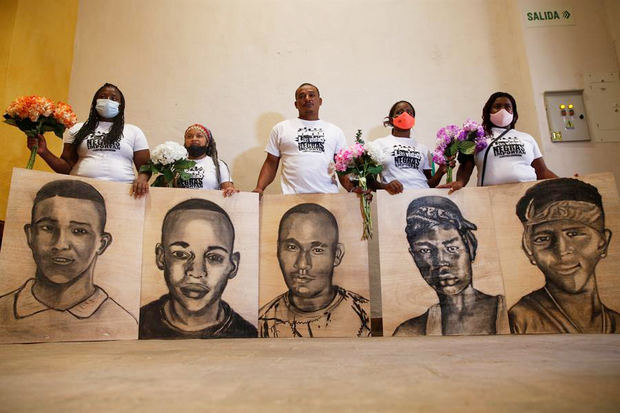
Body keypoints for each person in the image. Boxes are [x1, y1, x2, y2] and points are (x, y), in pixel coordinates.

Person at [0, 180, 137, 341]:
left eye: (79, 231)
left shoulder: (124, 325)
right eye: (48, 228)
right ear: (30, 236)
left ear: (102, 243)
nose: (60, 244)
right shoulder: (3, 310)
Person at [509, 178, 619, 334]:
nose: (561, 251)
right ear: (529, 250)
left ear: (603, 243)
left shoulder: (615, 322)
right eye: (543, 239)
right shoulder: (521, 319)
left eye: (574, 234)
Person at [139, 198, 257, 339]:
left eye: (214, 257)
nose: (196, 272)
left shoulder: (246, 334)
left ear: (233, 265)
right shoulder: (137, 324)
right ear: (161, 256)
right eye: (181, 254)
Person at [394, 196, 509, 336]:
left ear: (470, 246)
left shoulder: (515, 316)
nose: (441, 262)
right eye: (425, 250)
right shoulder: (409, 332)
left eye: (452, 248)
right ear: (414, 256)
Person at [259, 203, 370, 338]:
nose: (302, 264)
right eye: (292, 247)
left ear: (337, 255)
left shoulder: (364, 316)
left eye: (317, 250)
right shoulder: (262, 322)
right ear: (278, 250)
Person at [26, 83, 150, 198]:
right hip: (80, 191)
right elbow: (66, 168)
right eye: (103, 97)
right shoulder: (78, 129)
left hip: (123, 193)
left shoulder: (134, 131)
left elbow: (146, 166)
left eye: (113, 98)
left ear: (121, 105)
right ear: (95, 102)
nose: (107, 101)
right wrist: (44, 152)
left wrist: (142, 178)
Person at [440, 92, 557, 192]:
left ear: (514, 112)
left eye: (507, 107)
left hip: (527, 194)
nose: (503, 110)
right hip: (490, 197)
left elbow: (542, 172)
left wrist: (569, 183)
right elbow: (466, 166)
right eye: (497, 106)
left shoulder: (527, 138)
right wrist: (460, 182)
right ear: (488, 111)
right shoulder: (477, 137)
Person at [253, 83, 356, 195]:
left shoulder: (335, 131)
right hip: (291, 197)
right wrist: (259, 188)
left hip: (328, 196)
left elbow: (342, 167)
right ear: (296, 104)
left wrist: (352, 189)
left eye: (311, 95)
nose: (307, 99)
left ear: (320, 101)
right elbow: (271, 163)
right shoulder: (281, 129)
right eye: (302, 96)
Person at [371, 100, 451, 194]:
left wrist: (441, 171)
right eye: (399, 112)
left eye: (409, 112)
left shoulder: (423, 149)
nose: (405, 115)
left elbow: (430, 185)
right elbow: (370, 182)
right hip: (394, 198)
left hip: (422, 196)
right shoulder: (379, 144)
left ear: (413, 119)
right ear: (391, 120)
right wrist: (386, 187)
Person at [176, 123, 238, 197]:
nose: (194, 139)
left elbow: (228, 188)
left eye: (199, 136)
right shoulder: (175, 164)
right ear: (185, 142)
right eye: (189, 136)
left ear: (207, 142)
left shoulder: (219, 165)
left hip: (209, 207)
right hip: (180, 207)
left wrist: (230, 190)